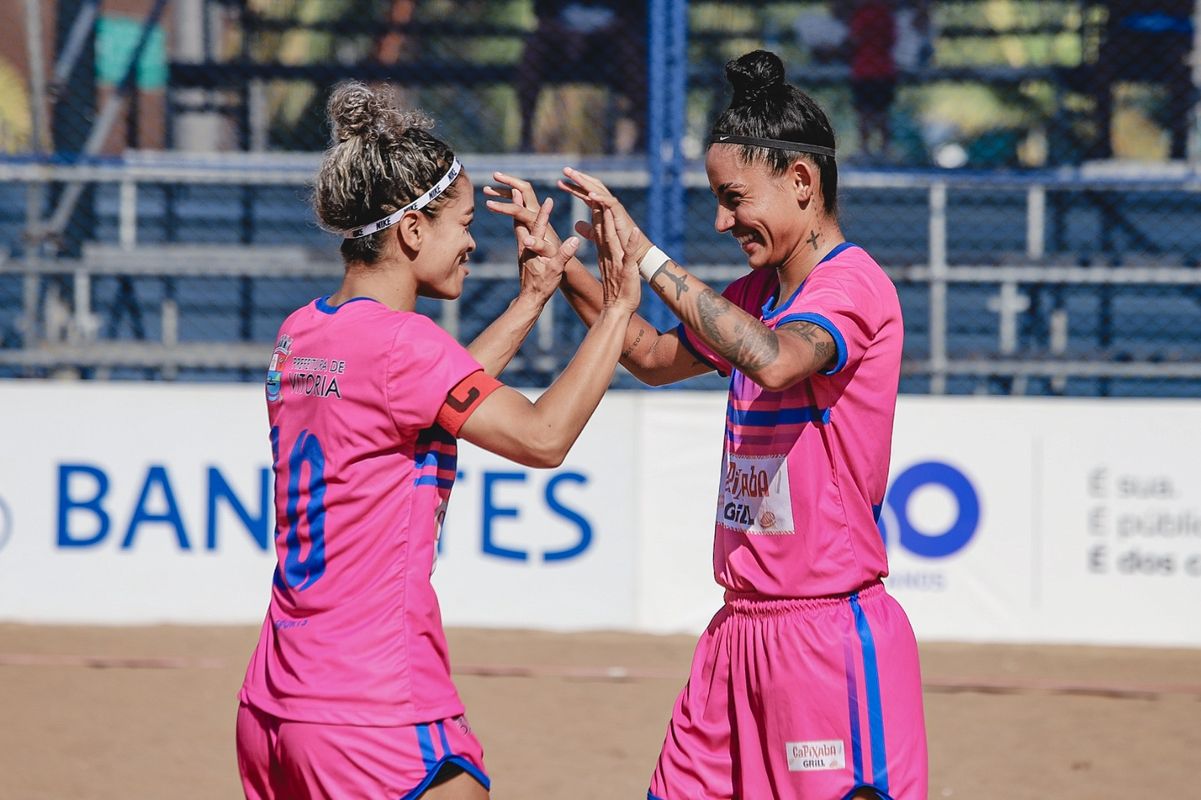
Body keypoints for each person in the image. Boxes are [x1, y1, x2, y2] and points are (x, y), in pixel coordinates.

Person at [487, 50, 927, 799]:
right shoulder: (756, 288)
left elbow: (776, 361)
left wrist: (650, 258)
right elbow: (653, 356)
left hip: (823, 639)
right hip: (737, 633)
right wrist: (564, 269)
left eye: (732, 198)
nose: (722, 220)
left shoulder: (852, 284)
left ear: (800, 181)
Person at [235, 80, 639, 800]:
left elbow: (423, 396)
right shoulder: (404, 344)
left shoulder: (305, 331)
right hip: (372, 700)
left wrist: (532, 297)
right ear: (412, 232)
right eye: (459, 223)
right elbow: (542, 438)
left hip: (276, 698)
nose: (472, 240)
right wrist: (615, 311)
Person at [516, 0, 647, 153]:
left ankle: (643, 137)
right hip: (561, 43)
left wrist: (600, 34)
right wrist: (567, 35)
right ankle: (525, 137)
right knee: (533, 51)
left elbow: (632, 17)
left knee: (631, 54)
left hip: (607, 44)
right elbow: (543, 17)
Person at [1088, 0, 1195, 161]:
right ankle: (1102, 142)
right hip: (1129, 35)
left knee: (1181, 67)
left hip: (1172, 35)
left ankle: (1179, 144)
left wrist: (1144, 6)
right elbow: (1116, 6)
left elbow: (1183, 6)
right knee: (1103, 64)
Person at [849, 0, 899, 161]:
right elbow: (892, 40)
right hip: (883, 70)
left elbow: (854, 40)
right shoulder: (886, 14)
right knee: (882, 113)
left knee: (865, 113)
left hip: (865, 70)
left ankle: (866, 149)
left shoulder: (863, 14)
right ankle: (884, 149)